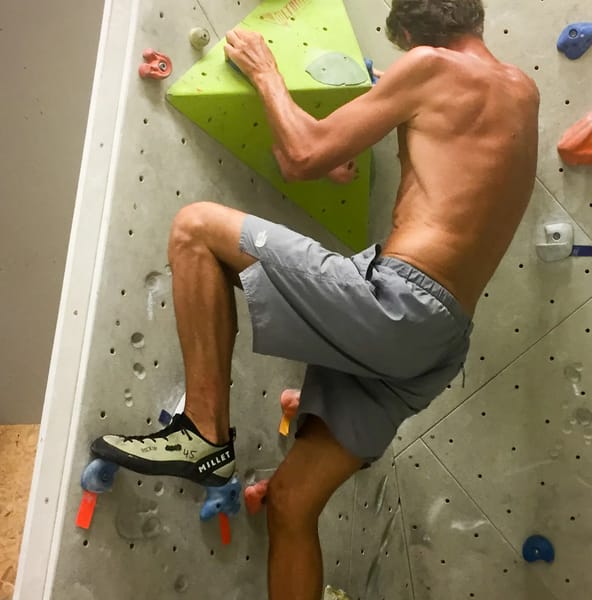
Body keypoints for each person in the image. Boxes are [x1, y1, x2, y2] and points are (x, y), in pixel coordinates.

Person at [90, 1, 539, 598]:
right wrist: (335, 149)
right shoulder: (522, 91)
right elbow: (445, 170)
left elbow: (299, 156)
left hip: (397, 304)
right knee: (291, 503)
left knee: (196, 227)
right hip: (440, 340)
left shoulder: (431, 65)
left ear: (409, 33)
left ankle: (202, 431)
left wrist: (265, 72)